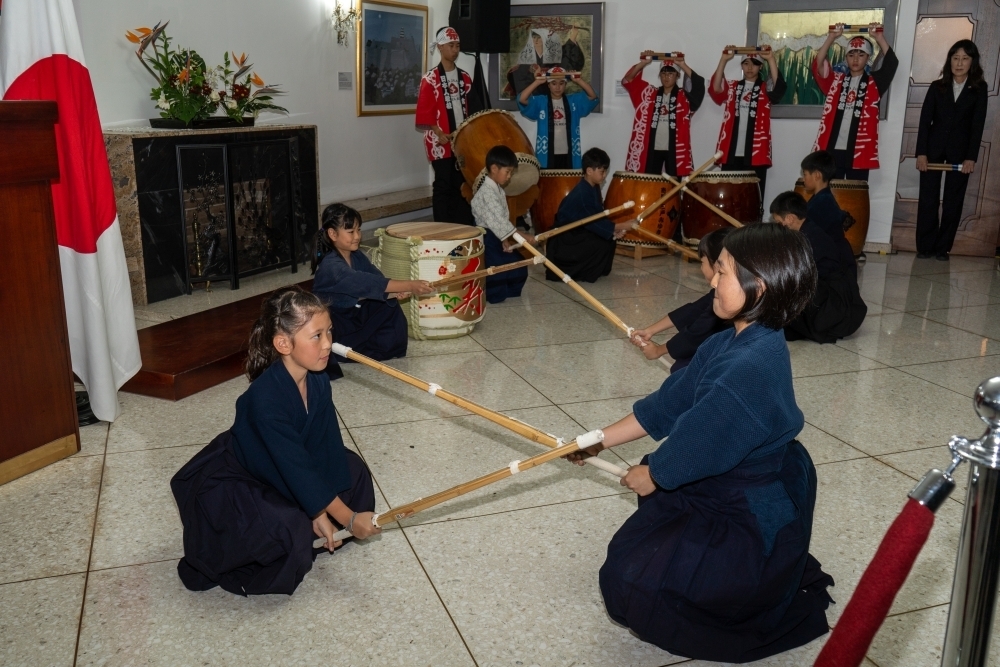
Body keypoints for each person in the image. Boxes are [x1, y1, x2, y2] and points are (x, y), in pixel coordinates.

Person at [567, 223, 833, 662]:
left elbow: (697, 444)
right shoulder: (733, 340)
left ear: (758, 286)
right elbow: (666, 405)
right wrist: (596, 440)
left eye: (722, 271)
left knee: (629, 579)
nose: (711, 279)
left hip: (749, 498)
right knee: (651, 546)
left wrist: (652, 474)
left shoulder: (746, 367)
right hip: (744, 469)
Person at [171, 287, 382, 596]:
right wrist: (345, 518)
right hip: (245, 478)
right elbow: (295, 469)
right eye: (317, 336)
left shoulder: (319, 380)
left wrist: (323, 509)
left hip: (287, 466)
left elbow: (326, 445)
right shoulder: (263, 400)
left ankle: (313, 525)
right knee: (289, 525)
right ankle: (296, 536)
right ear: (283, 343)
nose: (328, 344)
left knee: (354, 471)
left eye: (329, 332)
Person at [311, 204, 431, 374]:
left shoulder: (357, 256)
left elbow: (377, 280)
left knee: (388, 305)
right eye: (351, 232)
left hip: (353, 314)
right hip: (336, 324)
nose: (357, 236)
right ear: (332, 234)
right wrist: (410, 284)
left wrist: (395, 292)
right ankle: (350, 350)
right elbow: (365, 283)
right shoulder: (331, 266)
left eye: (358, 230)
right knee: (380, 299)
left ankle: (377, 349)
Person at [914, 39, 988, 260]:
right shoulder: (937, 87)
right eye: (955, 58)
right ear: (949, 61)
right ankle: (925, 246)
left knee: (953, 202)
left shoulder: (979, 89)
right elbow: (925, 121)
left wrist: (971, 157)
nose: (959, 63)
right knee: (928, 200)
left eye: (965, 58)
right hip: (932, 151)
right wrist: (921, 153)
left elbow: (978, 125)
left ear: (972, 62)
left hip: (960, 154)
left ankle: (943, 247)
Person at [629, 228, 732, 371]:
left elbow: (696, 333)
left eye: (702, 262)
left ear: (717, 264)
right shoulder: (722, 290)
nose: (701, 268)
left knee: (682, 369)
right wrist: (649, 331)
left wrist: (658, 351)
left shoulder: (728, 298)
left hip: (731, 356)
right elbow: (692, 310)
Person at [771, 192, 867, 343]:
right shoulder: (807, 230)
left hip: (833, 305)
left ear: (790, 219)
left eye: (778, 221)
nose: (777, 226)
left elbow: (814, 277)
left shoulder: (811, 237)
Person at [811, 24, 898, 180]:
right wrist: (831, 37)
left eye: (861, 54)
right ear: (846, 58)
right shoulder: (836, 81)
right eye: (851, 55)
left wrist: (878, 37)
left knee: (855, 197)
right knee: (831, 196)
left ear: (868, 58)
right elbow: (819, 64)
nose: (856, 59)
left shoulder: (874, 83)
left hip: (859, 151)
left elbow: (891, 64)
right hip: (833, 149)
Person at [545, 148, 634, 283]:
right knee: (600, 243)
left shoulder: (593, 187)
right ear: (589, 171)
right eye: (602, 172)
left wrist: (614, 230)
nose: (604, 175)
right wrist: (620, 226)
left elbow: (597, 216)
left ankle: (598, 270)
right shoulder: (582, 193)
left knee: (609, 239)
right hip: (566, 239)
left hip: (580, 230)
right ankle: (584, 273)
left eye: (605, 171)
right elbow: (592, 221)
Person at [709, 46, 786, 199]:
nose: (750, 67)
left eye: (755, 63)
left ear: (761, 66)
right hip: (731, 151)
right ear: (742, 66)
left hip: (756, 152)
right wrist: (724, 60)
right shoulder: (733, 86)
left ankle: (754, 224)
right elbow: (716, 88)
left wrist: (771, 58)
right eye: (746, 63)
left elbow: (778, 90)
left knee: (754, 198)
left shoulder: (765, 88)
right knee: (729, 196)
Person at [415, 27, 473, 224]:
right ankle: (441, 226)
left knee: (463, 183)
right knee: (443, 183)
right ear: (440, 47)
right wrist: (438, 131)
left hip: (463, 140)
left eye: (458, 46)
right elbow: (426, 110)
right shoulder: (429, 79)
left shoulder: (465, 78)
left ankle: (462, 225)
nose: (455, 50)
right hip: (439, 140)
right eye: (451, 45)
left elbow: (471, 109)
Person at [621, 52, 706, 176]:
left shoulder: (684, 97)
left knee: (674, 187)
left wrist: (682, 64)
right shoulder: (649, 94)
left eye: (671, 73)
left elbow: (698, 86)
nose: (666, 77)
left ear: (677, 75)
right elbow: (629, 80)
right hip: (651, 149)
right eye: (664, 73)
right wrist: (643, 63)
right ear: (659, 75)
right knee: (649, 185)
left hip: (675, 150)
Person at [471, 145, 536, 303]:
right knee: (498, 269)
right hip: (486, 239)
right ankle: (493, 295)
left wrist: (505, 240)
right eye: (507, 172)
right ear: (494, 168)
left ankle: (510, 293)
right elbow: (499, 222)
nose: (509, 177)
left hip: (497, 235)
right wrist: (523, 236)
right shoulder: (486, 192)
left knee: (519, 265)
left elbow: (499, 222)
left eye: (510, 173)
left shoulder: (497, 189)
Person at [517, 67, 599, 169]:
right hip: (546, 155)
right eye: (554, 83)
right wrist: (537, 82)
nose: (557, 87)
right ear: (548, 85)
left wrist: (579, 80)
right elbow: (522, 99)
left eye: (561, 83)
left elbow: (592, 96)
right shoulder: (541, 102)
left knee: (569, 183)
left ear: (565, 85)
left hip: (569, 154)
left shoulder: (573, 101)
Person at [799, 150, 856, 274]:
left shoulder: (822, 202)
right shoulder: (822, 197)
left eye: (805, 174)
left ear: (817, 175)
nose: (803, 179)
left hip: (834, 263)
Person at [507, 26, 586, 98]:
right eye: (534, 37)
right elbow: (517, 75)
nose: (536, 40)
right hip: (532, 94)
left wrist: (572, 38)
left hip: (550, 92)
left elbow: (566, 60)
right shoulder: (527, 55)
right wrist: (534, 77)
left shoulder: (553, 54)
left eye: (539, 37)